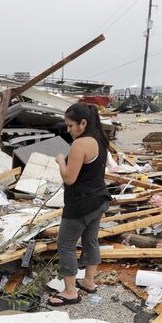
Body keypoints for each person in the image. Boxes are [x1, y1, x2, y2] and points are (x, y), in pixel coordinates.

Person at [48, 103, 111, 307]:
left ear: (83, 123)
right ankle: (89, 281)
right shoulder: (100, 139)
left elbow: (69, 178)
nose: (68, 130)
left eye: (70, 125)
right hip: (99, 199)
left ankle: (70, 292)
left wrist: (60, 161)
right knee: (90, 239)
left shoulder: (80, 144)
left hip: (81, 204)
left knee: (65, 244)